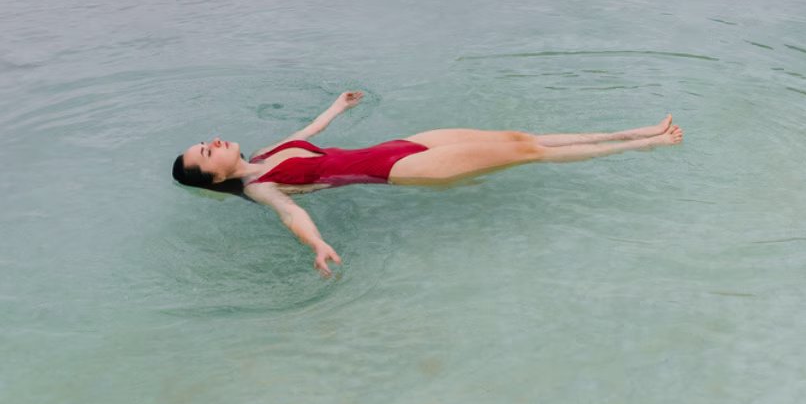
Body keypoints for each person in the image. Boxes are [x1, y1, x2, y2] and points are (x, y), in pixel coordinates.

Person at [171, 91, 682, 275]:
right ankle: (648, 143)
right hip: (401, 171)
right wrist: (319, 245)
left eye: (206, 141)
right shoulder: (261, 187)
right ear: (212, 177)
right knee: (529, 153)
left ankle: (637, 129)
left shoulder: (263, 155)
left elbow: (310, 133)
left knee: (518, 136)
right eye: (205, 152)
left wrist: (338, 106)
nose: (213, 142)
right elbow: (294, 215)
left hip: (401, 144)